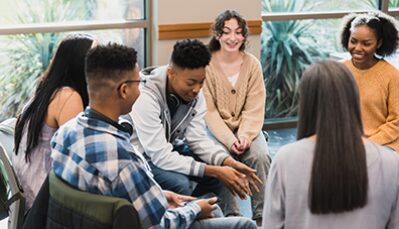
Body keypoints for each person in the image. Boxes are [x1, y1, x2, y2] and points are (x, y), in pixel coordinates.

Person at [50, 43, 257, 229]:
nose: (141, 88)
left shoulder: (63, 133)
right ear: (124, 90)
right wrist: (194, 209)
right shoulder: (124, 160)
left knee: (212, 209)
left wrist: (162, 196)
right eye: (138, 82)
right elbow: (159, 224)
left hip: (102, 220)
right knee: (243, 224)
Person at [128, 39, 262, 217]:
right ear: (171, 73)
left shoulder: (196, 94)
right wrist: (216, 171)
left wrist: (227, 162)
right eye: (191, 82)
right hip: (140, 158)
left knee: (219, 171)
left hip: (166, 150)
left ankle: (227, 219)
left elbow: (198, 140)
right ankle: (190, 217)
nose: (197, 89)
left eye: (201, 82)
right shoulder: (145, 96)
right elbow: (160, 155)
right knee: (179, 183)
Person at [262, 60, 399, 229]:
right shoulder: (391, 163)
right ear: (354, 99)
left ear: (306, 104)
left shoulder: (285, 159)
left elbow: (272, 225)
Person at [12, 33, 95, 211]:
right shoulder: (68, 97)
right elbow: (77, 158)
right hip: (44, 202)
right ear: (82, 63)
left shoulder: (45, 91)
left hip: (30, 196)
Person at [204, 9, 271, 226]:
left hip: (248, 129)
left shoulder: (252, 64)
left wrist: (245, 136)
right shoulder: (206, 65)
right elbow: (209, 112)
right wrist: (231, 141)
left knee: (260, 156)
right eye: (226, 32)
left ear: (244, 36)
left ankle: (262, 216)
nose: (233, 38)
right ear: (217, 35)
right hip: (216, 130)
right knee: (222, 159)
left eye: (238, 32)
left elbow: (254, 107)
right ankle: (232, 219)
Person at [340, 11, 399, 151]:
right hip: (347, 142)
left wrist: (367, 144)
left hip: (383, 144)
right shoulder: (339, 70)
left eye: (366, 43)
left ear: (379, 43)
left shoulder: (392, 75)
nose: (358, 48)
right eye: (353, 41)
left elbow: (396, 122)